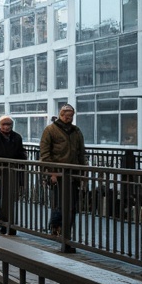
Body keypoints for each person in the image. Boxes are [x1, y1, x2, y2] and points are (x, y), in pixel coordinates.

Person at [39, 103, 86, 245]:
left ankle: (66, 232)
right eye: (66, 115)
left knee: (72, 205)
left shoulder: (76, 131)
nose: (69, 118)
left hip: (73, 174)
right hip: (58, 174)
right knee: (58, 203)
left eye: (71, 116)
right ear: (61, 115)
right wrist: (51, 172)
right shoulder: (50, 130)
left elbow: (81, 152)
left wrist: (83, 172)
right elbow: (45, 153)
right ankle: (56, 228)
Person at [0, 115, 26, 234]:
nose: (6, 127)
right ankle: (4, 224)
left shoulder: (17, 137)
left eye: (9, 125)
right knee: (3, 199)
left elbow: (20, 153)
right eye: (4, 124)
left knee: (11, 199)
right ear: (0, 125)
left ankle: (8, 224)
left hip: (12, 173)